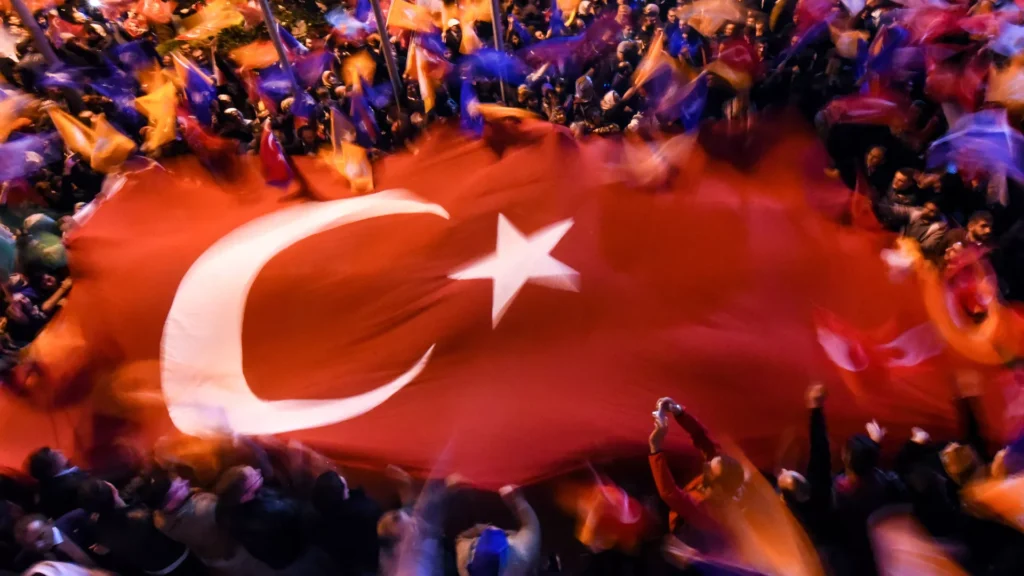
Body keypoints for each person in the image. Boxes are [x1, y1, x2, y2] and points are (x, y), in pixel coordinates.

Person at [647, 397, 744, 555]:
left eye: (709, 472)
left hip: (685, 531)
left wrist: (655, 447)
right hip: (686, 506)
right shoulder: (720, 469)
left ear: (719, 490)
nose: (707, 465)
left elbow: (670, 493)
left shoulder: (707, 512)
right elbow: (701, 436)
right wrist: (679, 412)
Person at [77, 478, 208, 576]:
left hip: (154, 571)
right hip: (182, 561)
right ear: (112, 489)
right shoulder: (144, 513)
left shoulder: (96, 528)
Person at [453, 485, 540, 576]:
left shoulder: (464, 559)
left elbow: (460, 538)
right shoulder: (521, 555)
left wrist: (477, 529)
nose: (492, 528)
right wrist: (517, 499)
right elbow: (531, 523)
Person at [26, 449, 87, 521]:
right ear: (49, 469)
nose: (59, 451)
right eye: (54, 454)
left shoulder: (48, 484)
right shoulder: (67, 488)